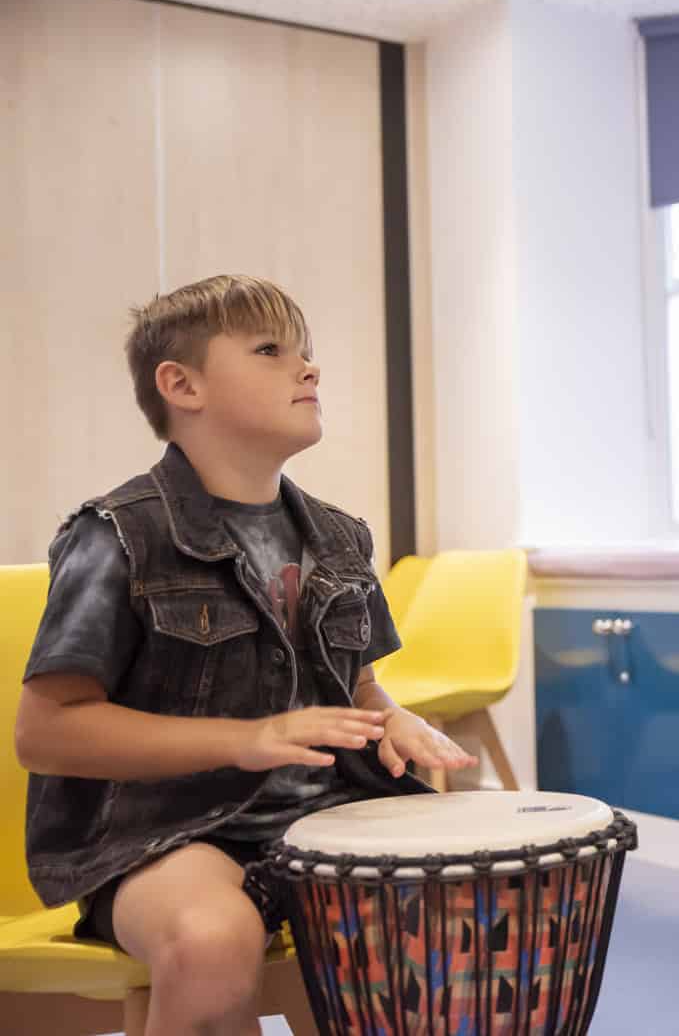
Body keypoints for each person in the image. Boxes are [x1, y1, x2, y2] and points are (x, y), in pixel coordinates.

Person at [14, 274, 479, 1035]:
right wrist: (247, 740)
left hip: (325, 814)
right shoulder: (120, 535)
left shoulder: (340, 536)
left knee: (466, 897)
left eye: (307, 353)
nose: (308, 369)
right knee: (212, 939)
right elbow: (47, 733)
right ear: (181, 384)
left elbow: (361, 686)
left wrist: (392, 719)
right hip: (165, 831)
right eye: (271, 350)